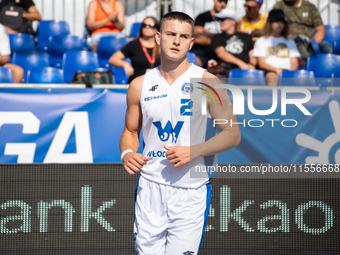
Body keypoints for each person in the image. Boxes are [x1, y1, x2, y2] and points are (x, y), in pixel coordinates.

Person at [120, 11, 240, 254]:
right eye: (171, 34)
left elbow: (232, 133)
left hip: (191, 189)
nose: (176, 41)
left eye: (184, 36)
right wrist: (127, 153)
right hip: (150, 186)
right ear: (158, 37)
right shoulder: (139, 84)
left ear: (191, 42)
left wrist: (193, 151)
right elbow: (130, 131)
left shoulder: (207, 82)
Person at [253, 9, 300, 86]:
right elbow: (261, 63)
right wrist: (277, 70)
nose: (280, 24)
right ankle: (273, 98)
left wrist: (288, 73)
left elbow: (294, 62)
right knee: (272, 78)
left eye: (282, 22)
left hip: (287, 71)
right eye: (276, 21)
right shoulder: (261, 41)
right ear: (269, 23)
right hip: (270, 70)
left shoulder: (290, 41)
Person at [109, 16, 161, 83]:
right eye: (144, 25)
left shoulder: (161, 46)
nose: (147, 27)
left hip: (156, 84)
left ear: (157, 29)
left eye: (151, 25)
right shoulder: (134, 45)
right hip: (137, 84)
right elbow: (113, 59)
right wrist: (125, 64)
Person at [211, 9, 256, 78]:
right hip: (225, 72)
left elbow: (253, 56)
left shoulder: (246, 37)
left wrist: (251, 65)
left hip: (245, 72)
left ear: (233, 22)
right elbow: (221, 53)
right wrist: (241, 64)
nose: (220, 22)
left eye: (223, 19)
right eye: (219, 20)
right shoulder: (216, 38)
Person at [192, 0, 228, 67]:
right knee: (194, 65)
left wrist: (205, 33)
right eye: (220, 1)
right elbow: (197, 38)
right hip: (201, 51)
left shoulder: (227, 19)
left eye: (225, 2)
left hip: (220, 53)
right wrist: (218, 41)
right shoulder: (203, 16)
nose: (222, 4)